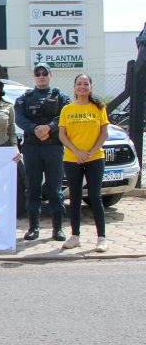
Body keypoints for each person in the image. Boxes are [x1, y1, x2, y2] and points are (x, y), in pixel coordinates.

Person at [15, 62, 71, 241]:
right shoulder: (25, 97)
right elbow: (19, 118)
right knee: (33, 189)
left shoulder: (60, 96)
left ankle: (58, 228)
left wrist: (49, 127)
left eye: (44, 73)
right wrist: (35, 129)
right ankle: (33, 227)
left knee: (55, 189)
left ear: (50, 75)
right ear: (34, 76)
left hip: (53, 147)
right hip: (32, 147)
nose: (41, 76)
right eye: (37, 73)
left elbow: (65, 115)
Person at [58, 74, 109, 252]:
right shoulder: (67, 109)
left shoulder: (99, 107)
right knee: (75, 197)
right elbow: (62, 136)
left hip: (95, 158)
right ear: (74, 87)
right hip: (72, 159)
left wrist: (91, 153)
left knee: (95, 197)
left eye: (86, 84)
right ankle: (75, 236)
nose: (82, 87)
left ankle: (101, 238)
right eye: (79, 84)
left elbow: (104, 134)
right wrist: (77, 152)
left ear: (91, 87)